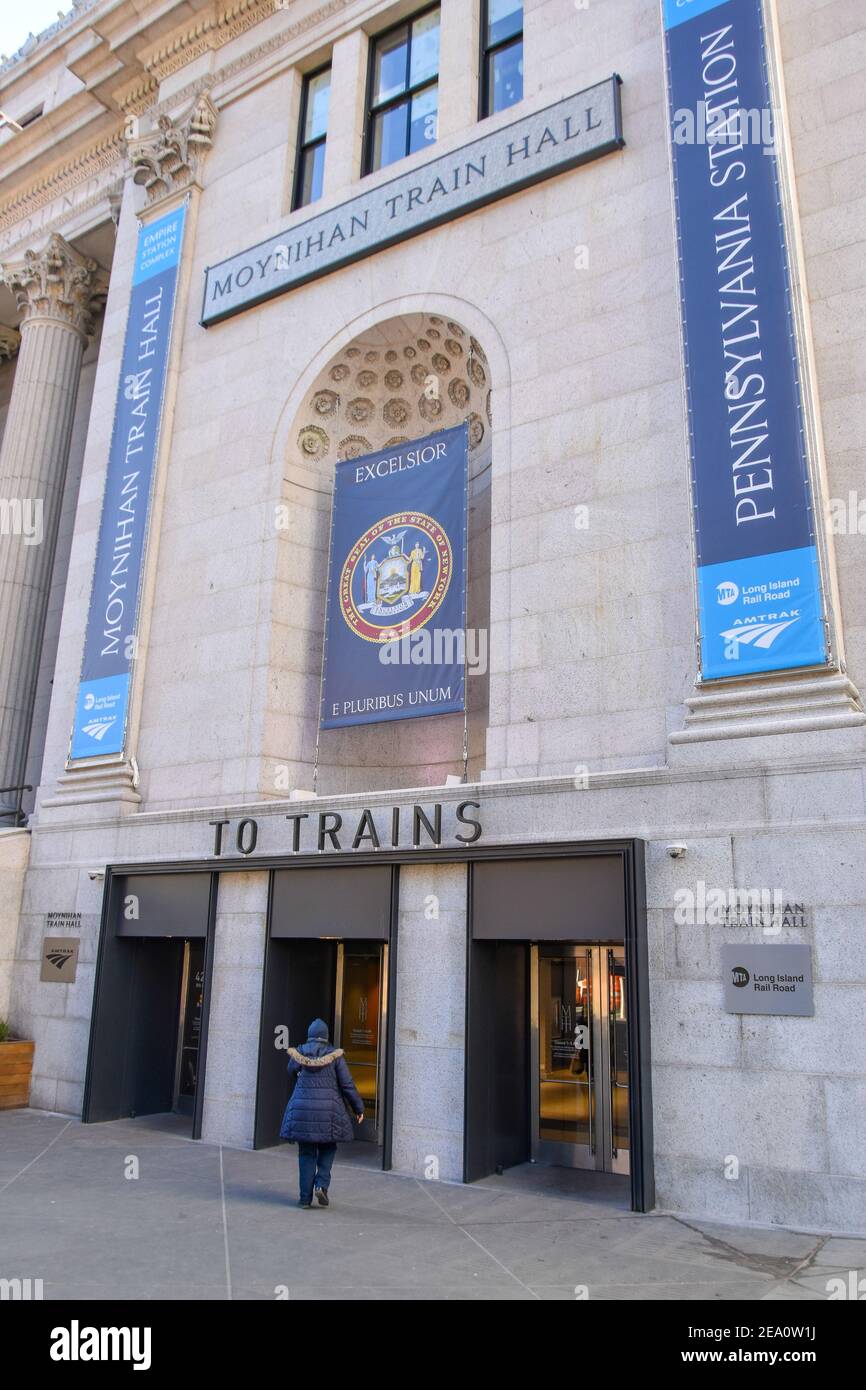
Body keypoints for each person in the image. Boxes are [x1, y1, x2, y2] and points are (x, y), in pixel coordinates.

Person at [279, 1018, 364, 1209]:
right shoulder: (335, 1056)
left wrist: (302, 1076)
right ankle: (321, 1184)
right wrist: (358, 1108)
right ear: (326, 1037)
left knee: (306, 1153)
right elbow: (347, 1085)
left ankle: (304, 1199)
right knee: (328, 1147)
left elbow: (291, 1071)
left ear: (309, 1035)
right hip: (329, 1113)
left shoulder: (299, 1053)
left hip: (303, 1111)